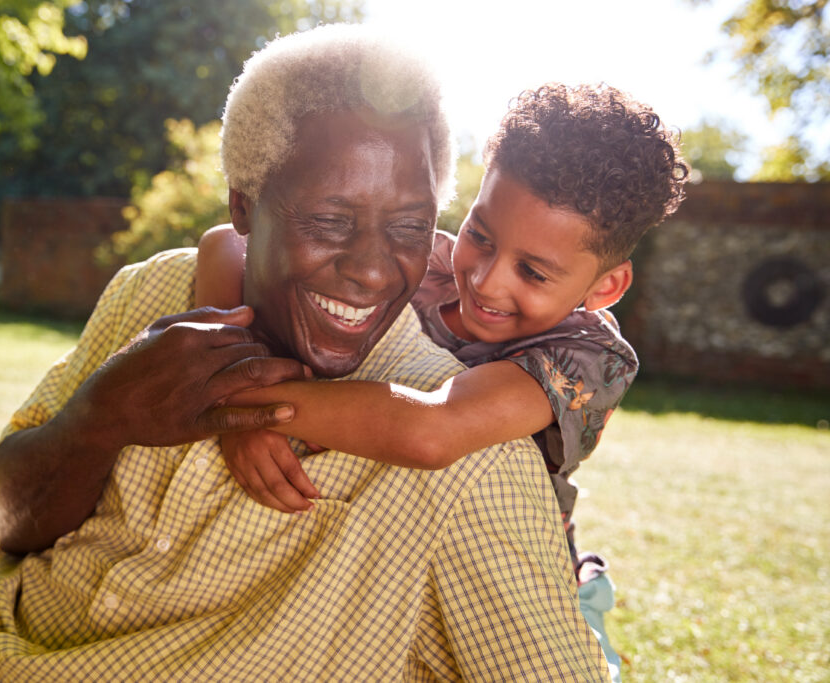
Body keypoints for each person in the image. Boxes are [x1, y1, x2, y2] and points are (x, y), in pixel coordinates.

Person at [0, 25, 610, 681]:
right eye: (331, 221)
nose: (372, 267)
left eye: (407, 228)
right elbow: (11, 522)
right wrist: (101, 417)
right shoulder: (157, 292)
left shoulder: (468, 462)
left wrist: (246, 406)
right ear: (245, 208)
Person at [195, 83, 688, 681]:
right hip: (391, 546)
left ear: (605, 287)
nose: (486, 279)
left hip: (514, 579)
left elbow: (433, 429)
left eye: (532, 271)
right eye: (481, 235)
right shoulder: (423, 263)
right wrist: (226, 374)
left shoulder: (587, 359)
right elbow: (225, 244)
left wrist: (245, 406)